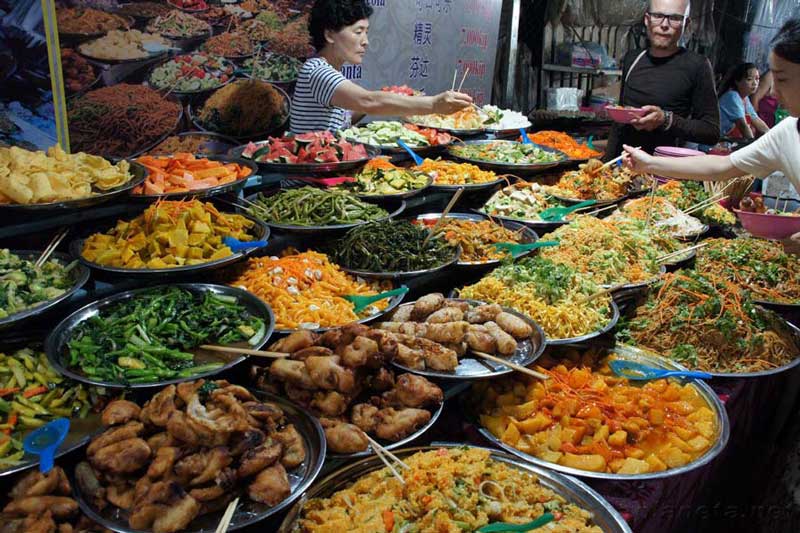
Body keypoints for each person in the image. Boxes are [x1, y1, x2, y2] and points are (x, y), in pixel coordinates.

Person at [623, 19, 800, 253]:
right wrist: (650, 163)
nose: (773, 91)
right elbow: (723, 165)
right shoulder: (787, 133)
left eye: (782, 79)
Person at [290, 0, 473, 134]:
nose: (366, 42)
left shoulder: (328, 70)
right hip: (308, 182)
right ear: (330, 35)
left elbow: (346, 118)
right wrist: (434, 104)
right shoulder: (316, 70)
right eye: (358, 32)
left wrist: (387, 96)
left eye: (367, 32)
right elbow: (368, 101)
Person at [605, 0, 720, 157]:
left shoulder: (697, 65)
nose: (664, 24)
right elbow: (618, 124)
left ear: (686, 23)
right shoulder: (633, 59)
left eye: (674, 18)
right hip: (622, 168)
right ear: (647, 19)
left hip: (664, 173)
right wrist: (606, 163)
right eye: (658, 16)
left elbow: (711, 132)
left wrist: (665, 120)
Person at [717, 63, 770, 139]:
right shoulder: (732, 97)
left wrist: (772, 138)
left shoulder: (745, 98)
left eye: (757, 79)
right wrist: (752, 146)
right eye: (749, 79)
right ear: (737, 81)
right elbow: (743, 126)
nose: (755, 83)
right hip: (711, 144)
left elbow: (756, 120)